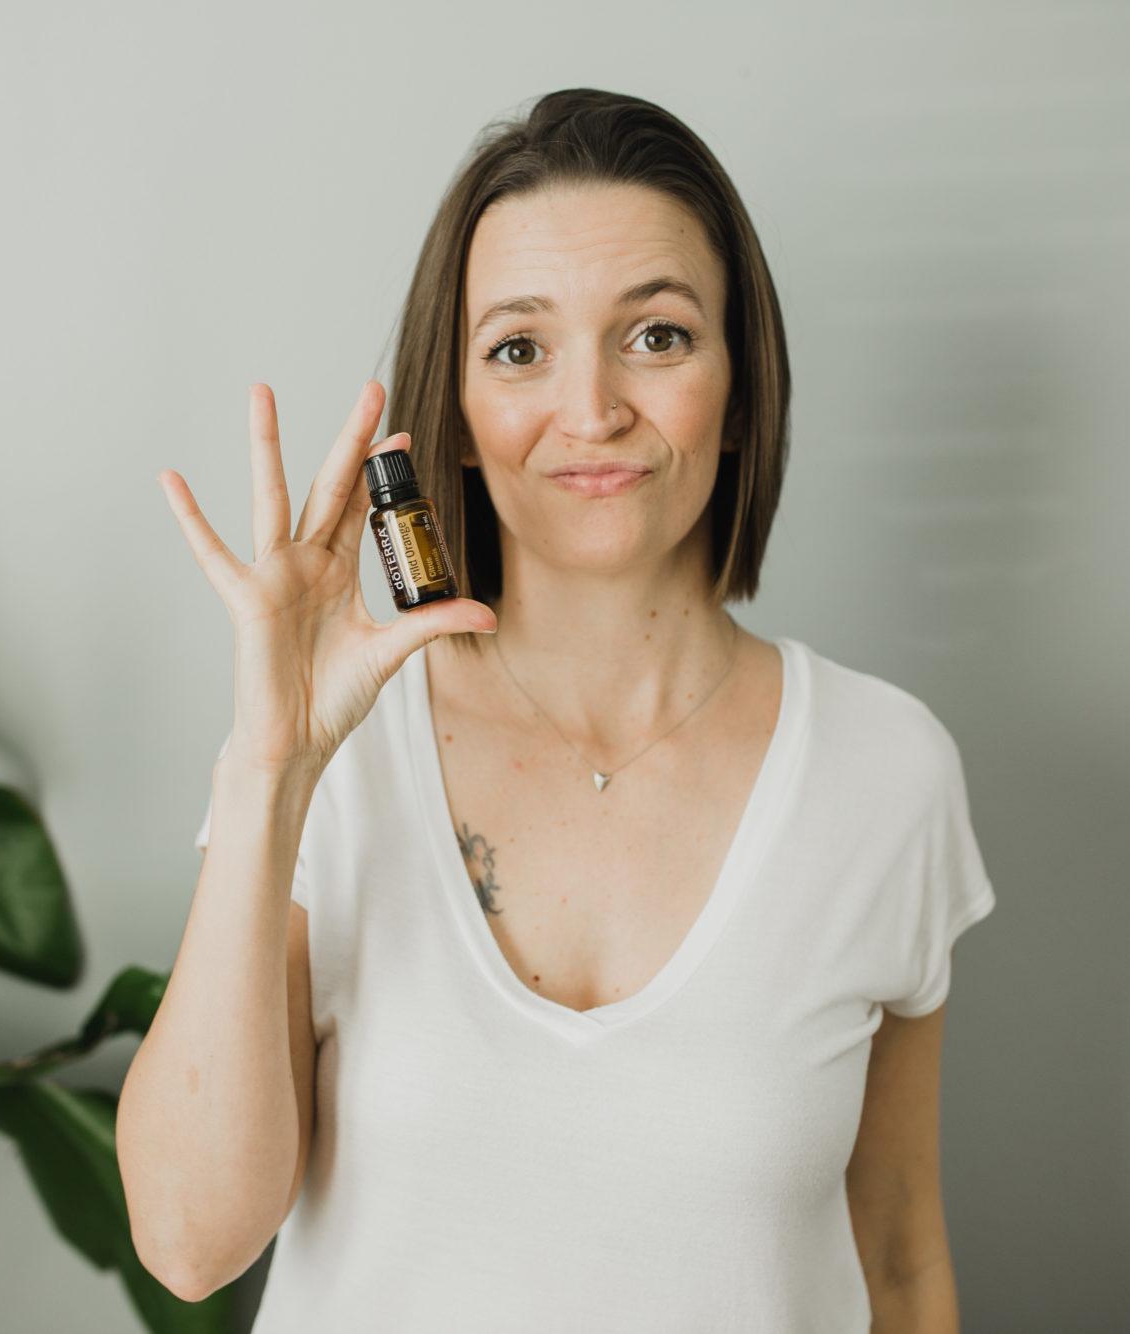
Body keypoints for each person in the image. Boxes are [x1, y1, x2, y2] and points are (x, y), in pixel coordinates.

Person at [121, 88, 997, 1332]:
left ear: (740, 389)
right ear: (461, 423)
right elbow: (189, 1243)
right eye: (519, 349)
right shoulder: (337, 759)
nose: (591, 412)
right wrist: (270, 765)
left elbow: (900, 1251)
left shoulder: (885, 768)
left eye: (655, 336)